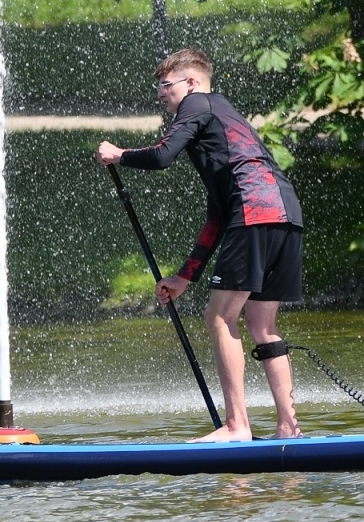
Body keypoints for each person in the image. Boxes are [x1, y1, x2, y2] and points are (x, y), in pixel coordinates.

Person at [96, 48, 305, 442]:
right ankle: (288, 428)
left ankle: (236, 426)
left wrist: (119, 155)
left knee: (219, 317)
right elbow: (217, 216)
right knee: (263, 325)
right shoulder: (223, 121)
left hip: (255, 212)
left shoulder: (196, 104)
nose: (161, 94)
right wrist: (184, 277)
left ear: (190, 83)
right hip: (286, 214)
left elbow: (161, 156)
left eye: (165, 85)